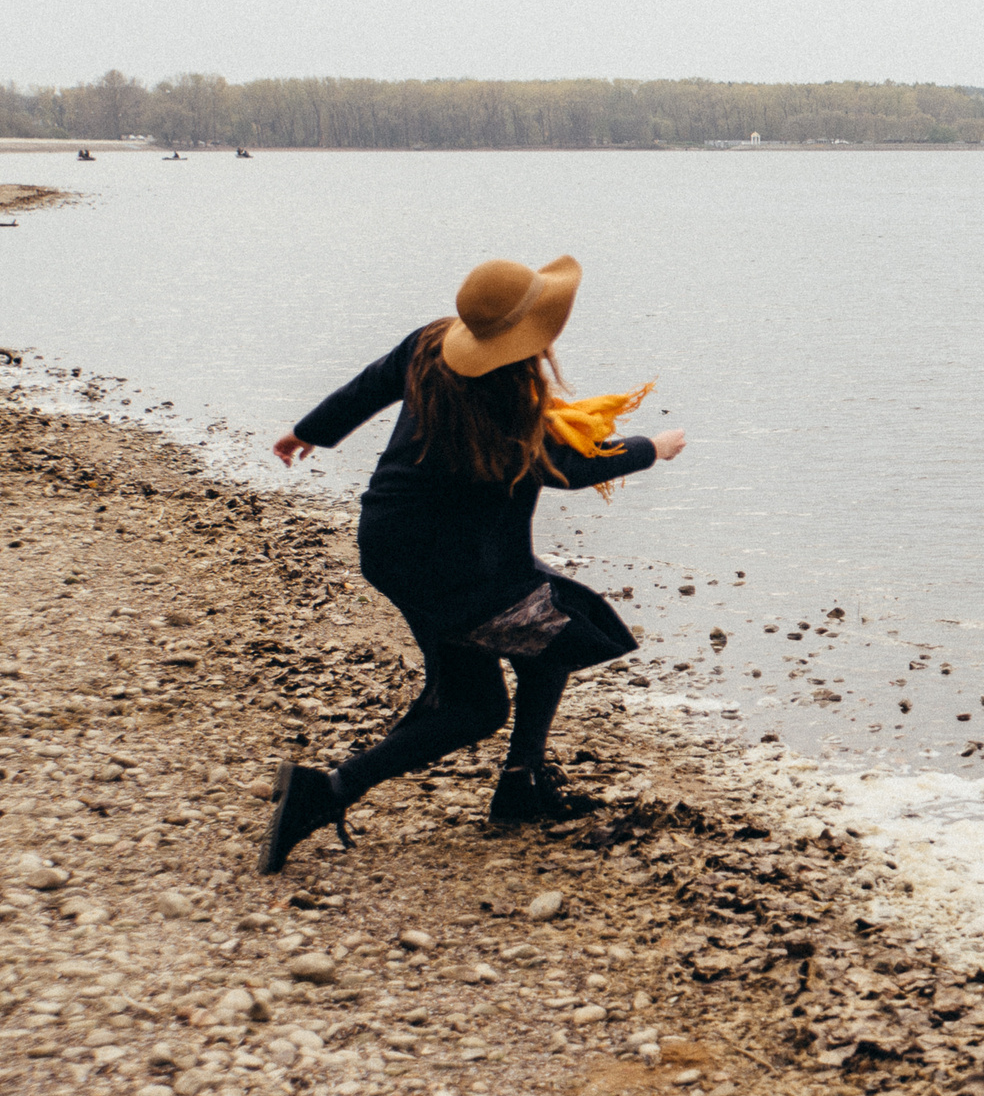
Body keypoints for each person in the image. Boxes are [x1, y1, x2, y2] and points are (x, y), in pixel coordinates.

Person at [260, 254, 686, 874]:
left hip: (392, 543)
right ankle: (335, 790)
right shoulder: (505, 398)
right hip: (458, 568)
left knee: (522, 646)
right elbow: (567, 467)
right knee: (531, 657)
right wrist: (652, 448)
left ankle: (517, 783)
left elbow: (368, 385)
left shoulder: (431, 344)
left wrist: (309, 432)